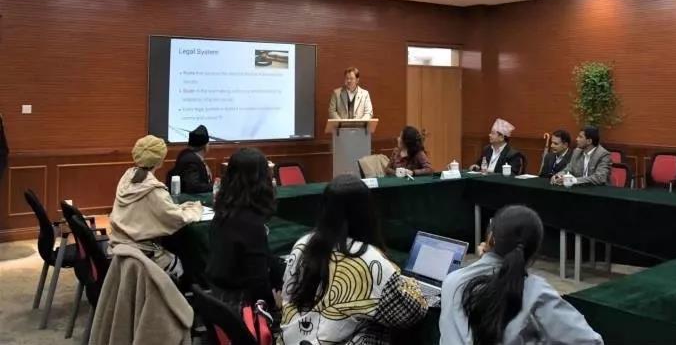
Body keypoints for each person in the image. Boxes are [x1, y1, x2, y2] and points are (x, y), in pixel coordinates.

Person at [281, 175, 427, 343]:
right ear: (366, 213)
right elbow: (410, 313)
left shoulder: (302, 244)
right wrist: (412, 284)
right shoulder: (369, 260)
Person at [439, 205, 602, 345]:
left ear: (490, 239)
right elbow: (589, 341)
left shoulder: (452, 280)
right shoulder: (535, 291)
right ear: (534, 251)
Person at [206, 148, 285, 321]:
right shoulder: (251, 224)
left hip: (222, 301)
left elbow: (263, 260)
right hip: (243, 310)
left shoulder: (223, 213)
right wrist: (276, 304)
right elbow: (258, 283)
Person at [109, 135, 203, 278]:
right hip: (142, 253)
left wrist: (179, 207)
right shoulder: (154, 191)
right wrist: (196, 209)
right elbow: (176, 218)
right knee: (185, 262)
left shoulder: (127, 176)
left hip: (118, 246)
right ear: (160, 160)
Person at [166, 124, 213, 194]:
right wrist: (215, 187)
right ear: (205, 146)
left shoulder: (185, 153)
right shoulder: (192, 161)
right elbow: (194, 187)